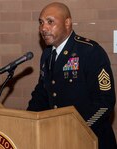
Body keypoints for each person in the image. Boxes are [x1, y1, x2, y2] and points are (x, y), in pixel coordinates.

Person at [27, 2, 117, 149]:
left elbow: (105, 103)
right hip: (60, 138)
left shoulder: (90, 51)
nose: (43, 28)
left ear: (67, 23)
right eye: (41, 23)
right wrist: (28, 121)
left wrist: (79, 127)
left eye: (50, 22)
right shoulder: (47, 55)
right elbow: (42, 93)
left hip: (91, 138)